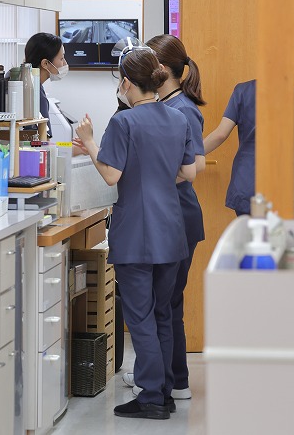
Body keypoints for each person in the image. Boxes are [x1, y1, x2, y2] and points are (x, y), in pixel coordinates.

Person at [73, 46, 196, 420]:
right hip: (171, 229)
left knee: (140, 317)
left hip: (138, 232)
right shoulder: (178, 119)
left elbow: (111, 175)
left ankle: (151, 397)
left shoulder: (124, 123)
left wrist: (89, 141)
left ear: (126, 83)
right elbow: (189, 172)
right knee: (162, 314)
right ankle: (165, 392)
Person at [117, 34, 205, 401]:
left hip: (174, 215)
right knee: (163, 305)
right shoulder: (164, 108)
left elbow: (195, 166)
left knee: (163, 305)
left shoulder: (181, 110)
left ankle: (169, 381)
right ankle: (165, 379)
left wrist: (150, 173)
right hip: (165, 215)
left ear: (161, 69)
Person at [203, 79, 256, 216]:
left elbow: (220, 134)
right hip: (282, 179)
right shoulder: (293, 90)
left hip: (247, 180)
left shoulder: (244, 90)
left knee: (248, 229)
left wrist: (188, 155)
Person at [23, 32, 69, 138]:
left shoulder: (26, 82)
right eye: (61, 58)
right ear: (45, 63)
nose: (65, 63)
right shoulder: (36, 94)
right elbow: (44, 140)